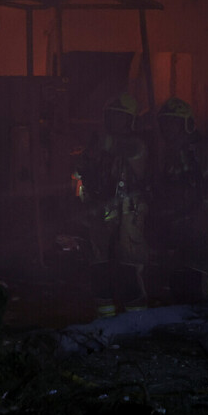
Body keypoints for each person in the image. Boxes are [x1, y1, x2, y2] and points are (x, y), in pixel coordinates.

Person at [73, 92, 150, 317]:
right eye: (112, 116)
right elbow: (80, 170)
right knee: (99, 264)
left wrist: (97, 145)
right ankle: (105, 318)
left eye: (121, 117)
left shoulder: (137, 145)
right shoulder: (98, 145)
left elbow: (123, 150)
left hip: (129, 211)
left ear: (131, 120)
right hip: (99, 209)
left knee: (128, 265)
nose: (115, 121)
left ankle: (136, 320)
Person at [153, 97, 208, 303]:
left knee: (200, 297)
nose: (168, 128)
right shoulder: (173, 155)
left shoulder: (204, 150)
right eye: (165, 122)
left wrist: (198, 227)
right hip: (185, 237)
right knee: (180, 290)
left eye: (174, 122)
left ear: (187, 124)